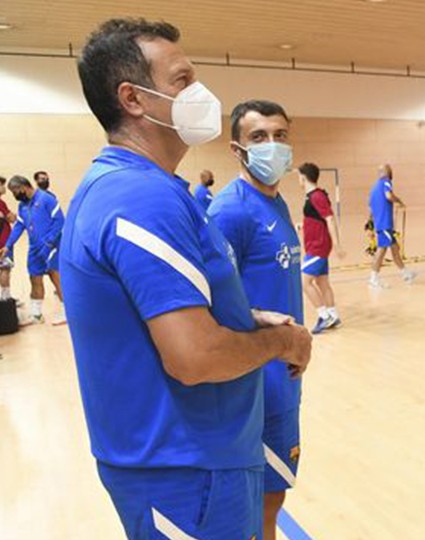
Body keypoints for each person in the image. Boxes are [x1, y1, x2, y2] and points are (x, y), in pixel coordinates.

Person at [63, 18, 311, 539]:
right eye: (182, 80)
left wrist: (247, 316)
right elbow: (193, 357)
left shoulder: (153, 188)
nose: (200, 93)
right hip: (183, 470)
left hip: (197, 461)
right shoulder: (140, 198)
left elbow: (171, 309)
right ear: (133, 98)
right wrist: (283, 340)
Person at [208, 100, 306, 540]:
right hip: (251, 381)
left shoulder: (279, 204)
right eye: (258, 137)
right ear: (237, 148)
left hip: (284, 376)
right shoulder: (230, 211)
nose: (272, 146)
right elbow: (207, 302)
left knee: (274, 494)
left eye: (279, 136)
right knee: (257, 504)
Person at [0, 175, 65, 325]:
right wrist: (8, 245)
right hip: (34, 248)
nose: (14, 195)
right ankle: (36, 315)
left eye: (14, 191)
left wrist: (49, 242)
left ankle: (66, 312)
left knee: (55, 278)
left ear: (22, 187)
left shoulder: (46, 199)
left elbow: (60, 221)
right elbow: (18, 226)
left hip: (51, 246)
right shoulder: (23, 205)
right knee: (34, 278)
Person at [298, 162, 345, 333]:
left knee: (304, 281)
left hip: (318, 247)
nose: (299, 179)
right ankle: (334, 316)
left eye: (299, 176)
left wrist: (338, 245)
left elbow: (330, 219)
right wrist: (302, 226)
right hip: (315, 245)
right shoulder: (311, 196)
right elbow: (315, 219)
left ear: (303, 177)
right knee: (322, 282)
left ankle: (324, 316)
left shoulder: (317, 196)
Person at [368, 163, 416, 288]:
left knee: (395, 249)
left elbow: (371, 209)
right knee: (381, 250)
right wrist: (399, 201)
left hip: (382, 224)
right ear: (388, 173)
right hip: (384, 224)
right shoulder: (386, 182)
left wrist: (370, 225)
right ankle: (373, 278)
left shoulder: (374, 188)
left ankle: (406, 273)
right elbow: (388, 196)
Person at [0, 177, 14, 301]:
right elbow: (11, 218)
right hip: (3, 242)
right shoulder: (1, 203)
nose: (4, 188)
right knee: (5, 268)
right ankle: (6, 298)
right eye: (1, 185)